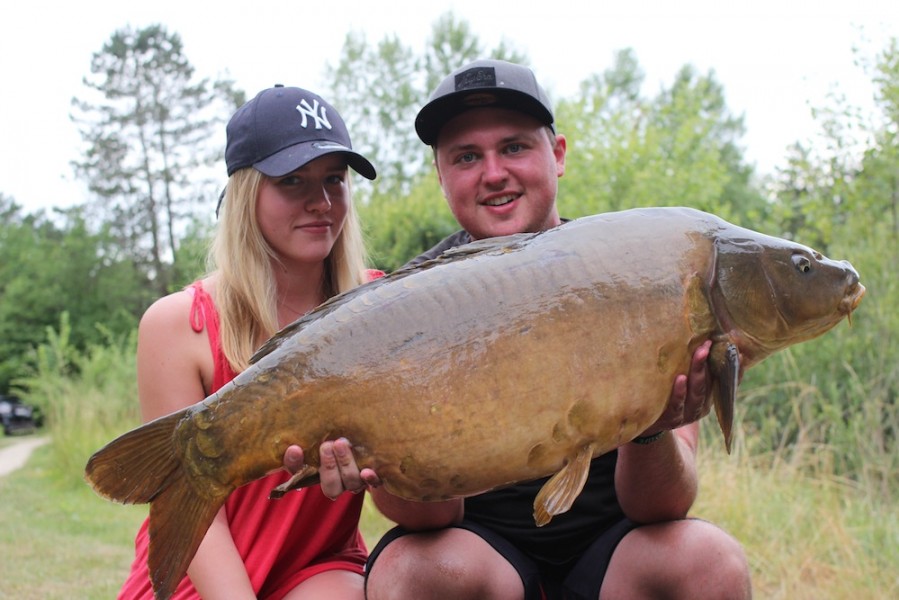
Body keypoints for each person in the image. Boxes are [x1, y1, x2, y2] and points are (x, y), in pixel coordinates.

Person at [288, 59, 753, 599]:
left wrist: (650, 426)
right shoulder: (405, 308)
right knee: (408, 572)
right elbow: (428, 520)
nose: (493, 173)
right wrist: (378, 461)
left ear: (556, 156)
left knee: (711, 562)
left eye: (513, 147)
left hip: (617, 556)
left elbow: (665, 507)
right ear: (441, 176)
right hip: (483, 560)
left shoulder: (640, 272)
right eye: (466, 157)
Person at [118, 85, 381, 600]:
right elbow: (193, 515)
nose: (321, 202)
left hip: (317, 566)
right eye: (292, 181)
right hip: (200, 571)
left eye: (334, 179)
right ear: (245, 193)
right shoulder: (177, 324)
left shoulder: (379, 303)